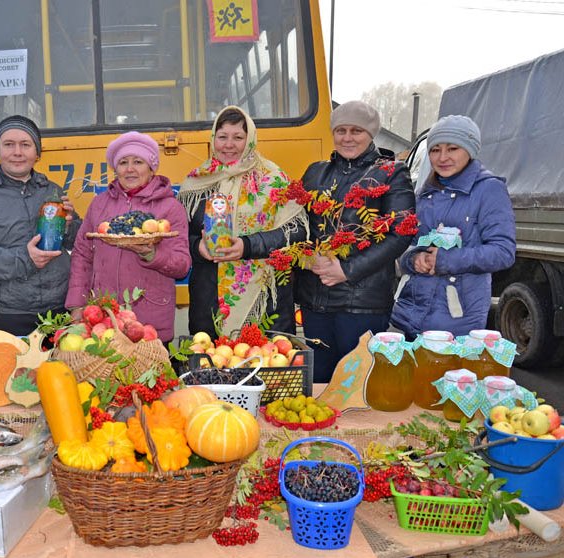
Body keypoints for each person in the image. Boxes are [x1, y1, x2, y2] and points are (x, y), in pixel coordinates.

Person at [294, 100, 415, 382]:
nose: (347, 137)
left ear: (371, 134)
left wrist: (347, 270)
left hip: (362, 303)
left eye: (356, 131)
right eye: (341, 130)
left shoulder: (390, 173)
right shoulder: (315, 173)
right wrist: (307, 257)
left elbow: (401, 233)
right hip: (316, 300)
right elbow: (297, 225)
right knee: (320, 383)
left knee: (358, 385)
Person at [177, 106, 307, 336]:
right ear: (213, 138)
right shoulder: (196, 182)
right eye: (223, 137)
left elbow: (296, 230)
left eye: (238, 137)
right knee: (214, 366)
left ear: (250, 140)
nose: (229, 145)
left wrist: (247, 246)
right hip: (208, 300)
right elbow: (177, 237)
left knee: (262, 364)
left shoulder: (272, 177)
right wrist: (198, 247)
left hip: (265, 300)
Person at [391, 115, 515, 337]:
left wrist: (445, 260)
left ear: (470, 150)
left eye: (453, 149)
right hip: (411, 316)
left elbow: (503, 252)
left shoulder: (489, 190)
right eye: (435, 150)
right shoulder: (424, 193)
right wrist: (413, 259)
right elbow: (404, 246)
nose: (442, 157)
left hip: (458, 321)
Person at [0, 115, 80, 335]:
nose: (17, 152)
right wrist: (26, 259)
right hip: (9, 314)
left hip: (59, 309)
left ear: (37, 153)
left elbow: (76, 243)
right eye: (8, 145)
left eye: (25, 145)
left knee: (61, 370)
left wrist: (70, 226)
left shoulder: (51, 189)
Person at [67, 131, 190, 343]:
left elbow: (182, 265)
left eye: (138, 162)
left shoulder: (170, 208)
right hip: (105, 318)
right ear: (116, 169)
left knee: (152, 376)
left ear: (152, 168)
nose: (130, 169)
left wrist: (153, 255)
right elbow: (82, 255)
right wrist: (77, 305)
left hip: (150, 322)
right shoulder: (99, 204)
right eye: (123, 162)